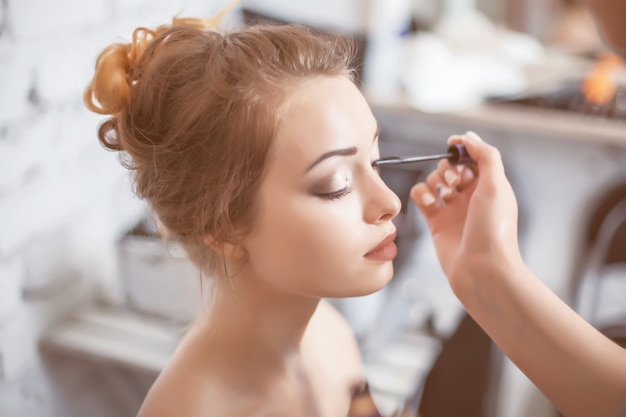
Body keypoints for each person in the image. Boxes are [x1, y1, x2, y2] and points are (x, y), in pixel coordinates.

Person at [83, 5, 626, 417]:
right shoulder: (192, 407)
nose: (391, 201)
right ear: (223, 226)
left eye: (378, 159)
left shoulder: (329, 335)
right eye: (337, 184)